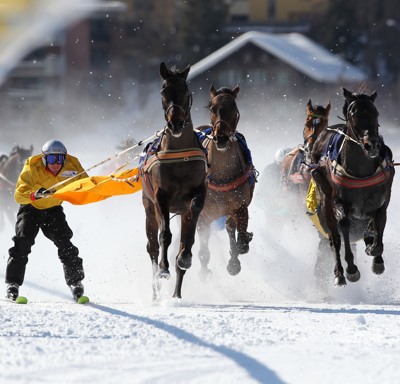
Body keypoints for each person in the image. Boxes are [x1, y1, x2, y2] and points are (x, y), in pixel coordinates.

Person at [5, 140, 88, 302]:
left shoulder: (72, 165)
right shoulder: (32, 166)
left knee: (65, 243)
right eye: (51, 159)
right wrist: (35, 194)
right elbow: (18, 194)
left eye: (60, 159)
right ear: (44, 159)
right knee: (22, 244)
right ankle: (12, 284)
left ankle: (75, 283)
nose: (56, 164)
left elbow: (85, 184)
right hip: (31, 209)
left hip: (53, 210)